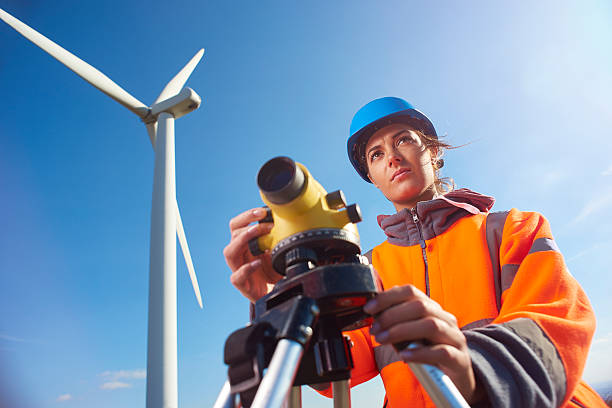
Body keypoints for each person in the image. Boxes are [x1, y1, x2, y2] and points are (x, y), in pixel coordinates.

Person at [223, 97, 607, 407]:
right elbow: (341, 368)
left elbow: (556, 327)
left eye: (403, 139)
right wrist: (278, 299)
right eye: (375, 155)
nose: (390, 156)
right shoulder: (368, 269)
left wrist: (471, 371)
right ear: (372, 179)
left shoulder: (512, 228)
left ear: (434, 152)